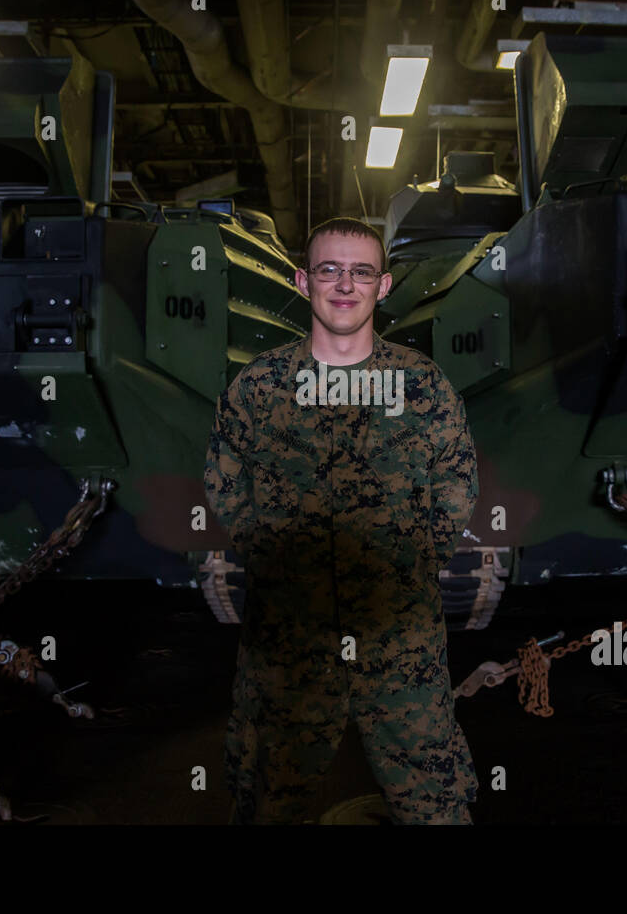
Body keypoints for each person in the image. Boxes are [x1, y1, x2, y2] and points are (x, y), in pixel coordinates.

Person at [203, 216, 480, 824]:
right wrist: (280, 562)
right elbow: (225, 486)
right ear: (304, 282)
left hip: (400, 643)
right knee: (268, 801)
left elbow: (455, 490)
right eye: (329, 270)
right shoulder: (259, 388)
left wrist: (403, 571)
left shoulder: (423, 386)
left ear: (383, 287)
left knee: (433, 802)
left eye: (361, 272)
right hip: (289, 645)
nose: (344, 285)